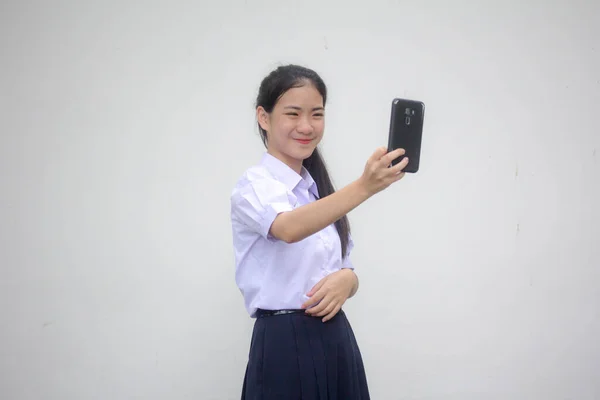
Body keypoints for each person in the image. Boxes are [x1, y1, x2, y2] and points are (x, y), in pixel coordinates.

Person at [230, 64, 409, 399]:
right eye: (293, 113)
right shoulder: (254, 185)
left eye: (317, 114)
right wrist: (365, 187)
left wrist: (349, 281)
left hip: (336, 338)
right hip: (284, 343)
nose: (306, 126)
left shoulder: (318, 191)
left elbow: (344, 266)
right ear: (264, 117)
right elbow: (288, 227)